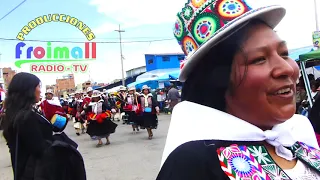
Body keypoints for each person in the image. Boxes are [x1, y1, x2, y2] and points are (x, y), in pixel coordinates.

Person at [157, 1, 320, 179]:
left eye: (284, 54)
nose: (287, 69)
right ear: (218, 80)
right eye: (259, 59)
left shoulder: (298, 137)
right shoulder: (194, 163)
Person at [2, 72, 86, 180]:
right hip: (37, 173)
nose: (40, 90)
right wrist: (62, 140)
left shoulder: (14, 114)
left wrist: (53, 124)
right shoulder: (26, 117)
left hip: (24, 170)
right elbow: (40, 149)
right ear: (28, 90)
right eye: (38, 86)